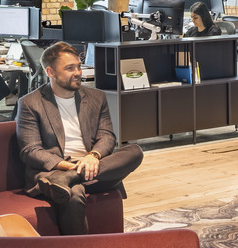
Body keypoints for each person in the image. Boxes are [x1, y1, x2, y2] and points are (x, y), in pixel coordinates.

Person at [16, 41, 144, 235]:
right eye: (69, 68)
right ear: (50, 72)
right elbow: (30, 151)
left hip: (95, 166)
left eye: (78, 66)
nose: (77, 72)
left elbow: (107, 136)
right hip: (55, 172)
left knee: (135, 151)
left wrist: (93, 156)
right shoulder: (31, 103)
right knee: (73, 193)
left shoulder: (96, 97)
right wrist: (70, 167)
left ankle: (70, 179)